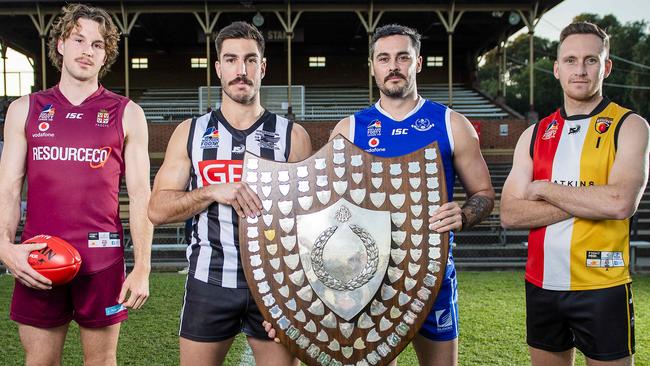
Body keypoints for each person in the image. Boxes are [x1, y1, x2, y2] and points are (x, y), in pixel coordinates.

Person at [266, 24, 495, 366]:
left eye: (403, 57)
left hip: (432, 274)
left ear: (418, 63)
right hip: (367, 281)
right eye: (384, 58)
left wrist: (464, 214)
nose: (393, 66)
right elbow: (322, 212)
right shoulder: (349, 130)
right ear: (372, 66)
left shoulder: (451, 123)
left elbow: (484, 193)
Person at [148, 21, 311, 366]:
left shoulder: (292, 136)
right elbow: (157, 210)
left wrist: (298, 293)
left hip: (275, 286)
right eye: (232, 60)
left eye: (251, 60)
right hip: (209, 281)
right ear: (218, 67)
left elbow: (308, 224)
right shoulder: (189, 133)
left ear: (262, 67)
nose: (242, 70)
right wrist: (210, 191)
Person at [0, 3, 152, 365]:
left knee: (100, 362)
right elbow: (8, 188)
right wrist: (4, 247)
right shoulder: (25, 109)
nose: (87, 49)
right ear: (60, 46)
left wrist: (143, 266)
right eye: (78, 39)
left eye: (97, 44)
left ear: (105, 55)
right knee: (39, 362)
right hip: (38, 259)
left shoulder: (127, 113)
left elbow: (143, 194)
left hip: (102, 260)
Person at [501, 22, 648, 366]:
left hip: (603, 285)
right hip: (542, 284)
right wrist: (588, 198)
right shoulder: (534, 134)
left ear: (606, 66)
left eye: (591, 60)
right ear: (556, 68)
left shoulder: (630, 126)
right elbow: (510, 214)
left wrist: (543, 189)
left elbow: (620, 202)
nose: (580, 69)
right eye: (570, 60)